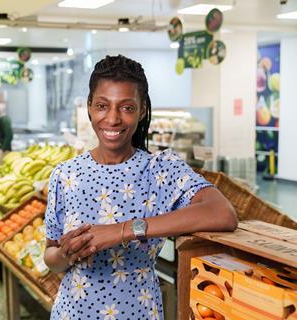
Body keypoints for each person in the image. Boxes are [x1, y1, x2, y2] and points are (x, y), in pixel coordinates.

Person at [43, 55, 237, 319]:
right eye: (102, 105)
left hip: (138, 311)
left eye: (126, 107)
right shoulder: (65, 175)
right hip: (72, 312)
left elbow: (222, 213)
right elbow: (51, 256)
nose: (112, 119)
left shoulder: (161, 169)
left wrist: (123, 230)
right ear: (89, 107)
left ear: (142, 109)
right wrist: (68, 254)